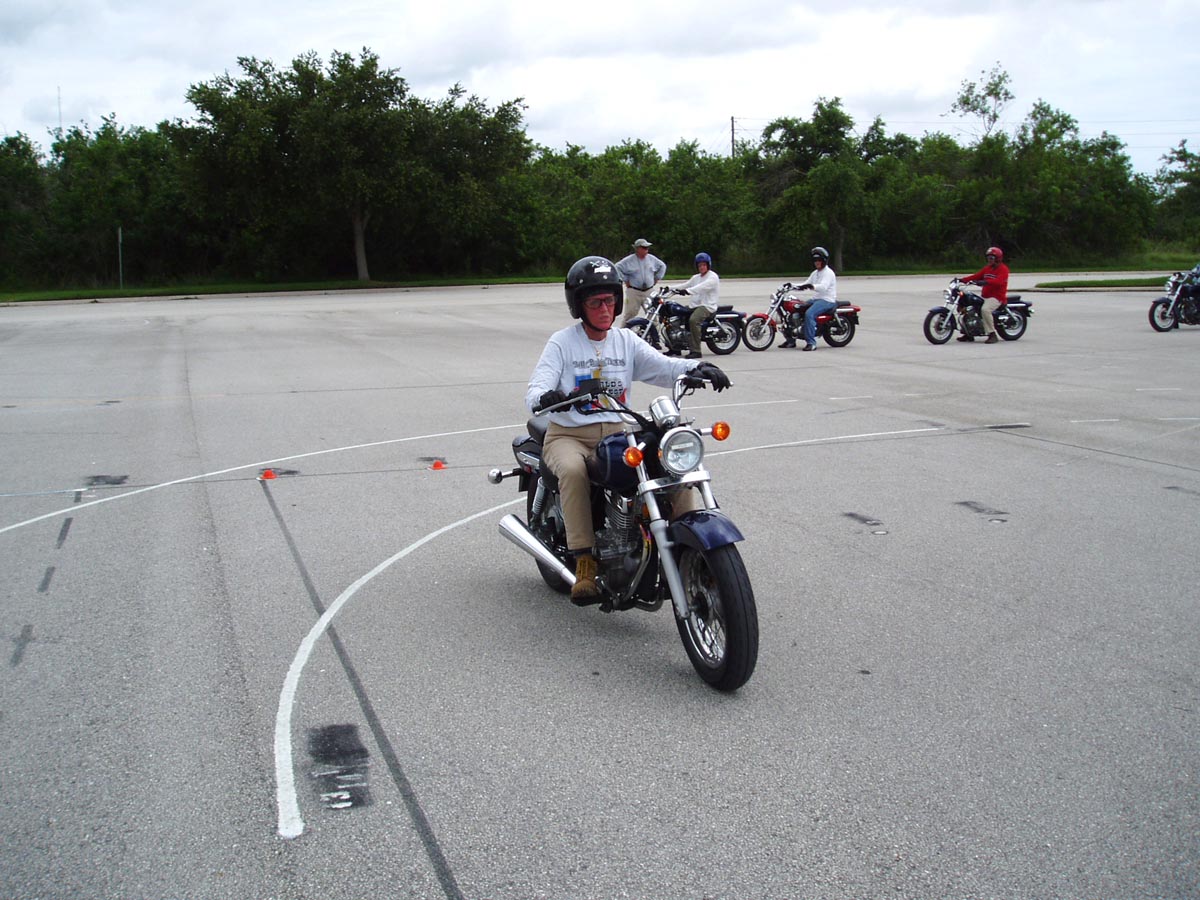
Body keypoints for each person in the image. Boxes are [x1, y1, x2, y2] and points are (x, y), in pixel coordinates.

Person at [526, 255, 730, 604]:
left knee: (668, 463)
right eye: (595, 302)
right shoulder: (562, 342)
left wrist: (698, 367)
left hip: (617, 432)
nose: (605, 309)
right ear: (579, 305)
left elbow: (663, 366)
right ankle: (584, 560)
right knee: (573, 470)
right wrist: (549, 396)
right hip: (569, 434)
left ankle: (688, 541)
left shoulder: (625, 341)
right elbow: (536, 389)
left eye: (609, 300)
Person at [783, 246, 838, 351]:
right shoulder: (815, 273)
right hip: (816, 299)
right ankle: (790, 341)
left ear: (824, 260)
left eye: (819, 260)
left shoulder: (828, 273)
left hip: (827, 300)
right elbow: (805, 283)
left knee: (809, 314)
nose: (817, 262)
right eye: (815, 260)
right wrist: (791, 286)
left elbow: (823, 287)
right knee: (795, 309)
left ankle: (811, 343)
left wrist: (812, 286)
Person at [672, 252, 720, 359]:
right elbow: (685, 285)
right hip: (694, 305)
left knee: (693, 320)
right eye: (699, 265)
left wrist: (687, 291)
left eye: (704, 265)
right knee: (675, 316)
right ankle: (675, 348)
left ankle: (696, 351)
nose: (701, 267)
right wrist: (669, 288)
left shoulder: (712, 277)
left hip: (707, 306)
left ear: (708, 265)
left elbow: (701, 287)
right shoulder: (696, 277)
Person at [958, 246, 1009, 344]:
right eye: (988, 258)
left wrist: (985, 282)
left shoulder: (1003, 269)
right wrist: (962, 280)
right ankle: (968, 333)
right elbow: (976, 276)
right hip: (985, 296)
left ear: (998, 259)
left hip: (997, 297)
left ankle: (992, 334)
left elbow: (999, 281)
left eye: (992, 258)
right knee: (968, 308)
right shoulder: (987, 268)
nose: (989, 260)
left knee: (985, 310)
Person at [615, 238, 667, 327]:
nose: (646, 249)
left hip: (649, 291)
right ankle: (624, 331)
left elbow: (662, 266)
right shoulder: (628, 260)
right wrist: (625, 279)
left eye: (647, 247)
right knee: (630, 314)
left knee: (653, 315)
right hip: (634, 291)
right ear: (637, 248)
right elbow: (616, 267)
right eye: (644, 247)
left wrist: (657, 278)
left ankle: (653, 334)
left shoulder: (652, 259)